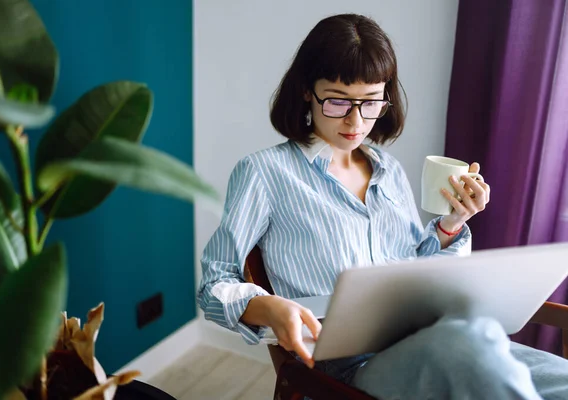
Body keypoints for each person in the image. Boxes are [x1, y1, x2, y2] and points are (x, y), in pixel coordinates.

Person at [197, 13, 568, 399]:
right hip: (351, 365)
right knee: (469, 345)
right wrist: (269, 307)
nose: (356, 121)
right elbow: (214, 284)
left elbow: (414, 271)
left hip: (435, 341)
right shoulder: (264, 172)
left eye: (371, 102)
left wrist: (453, 223)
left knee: (557, 376)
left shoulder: (387, 169)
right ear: (307, 90)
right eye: (338, 101)